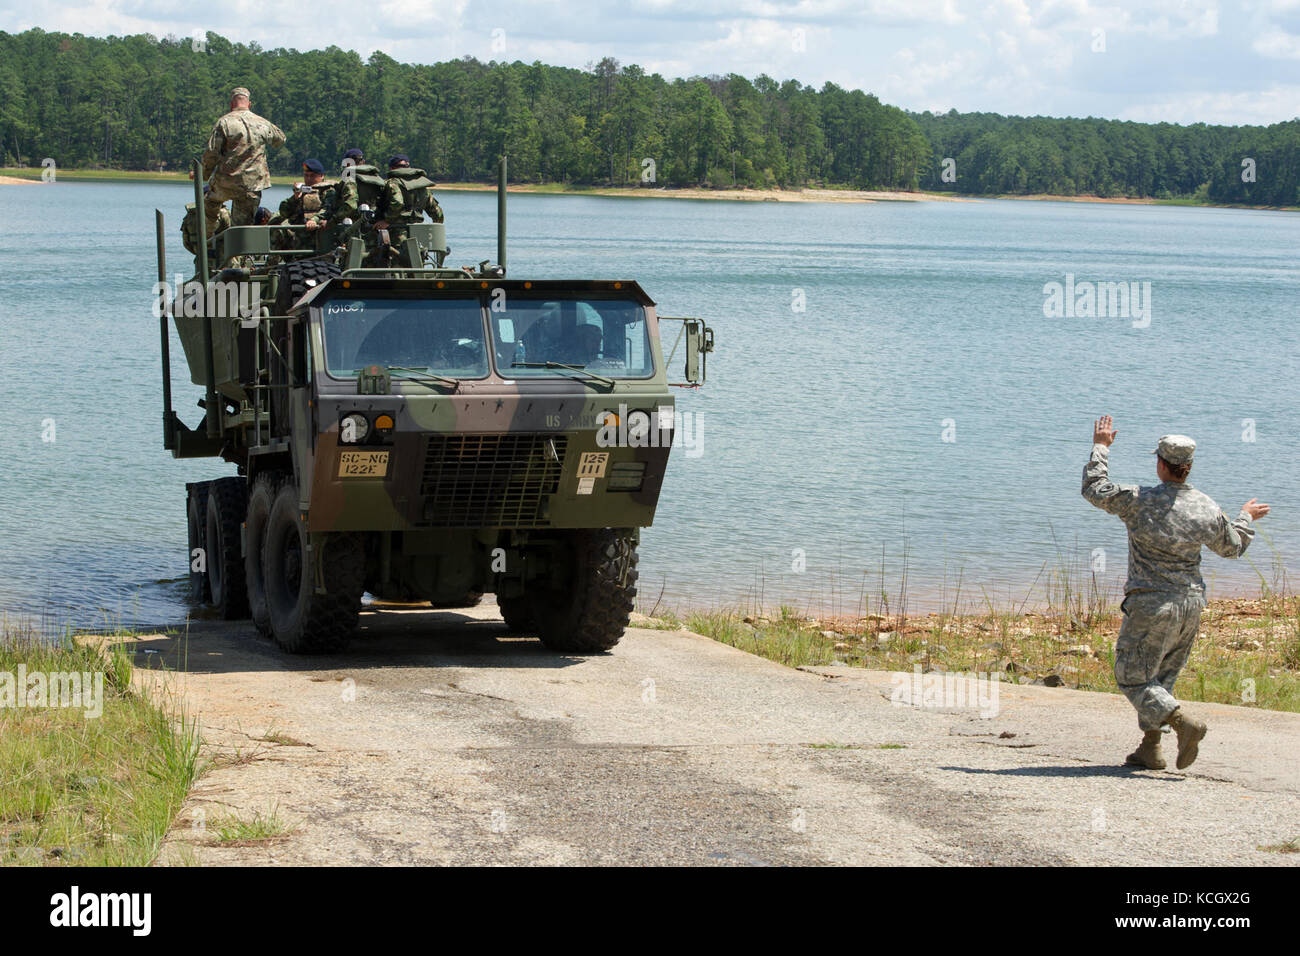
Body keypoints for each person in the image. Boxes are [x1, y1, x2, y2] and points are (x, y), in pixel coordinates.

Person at [1082, 415, 1270, 771]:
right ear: (1188, 467)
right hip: (1191, 603)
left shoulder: (1139, 500)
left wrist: (1102, 446)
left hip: (1152, 602)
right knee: (1163, 677)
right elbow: (1232, 548)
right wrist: (1244, 517)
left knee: (1132, 676)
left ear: (1160, 464)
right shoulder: (1205, 505)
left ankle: (1184, 724)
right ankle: (1150, 748)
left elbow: (1094, 488)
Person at [197, 87, 285, 226]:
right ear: (249, 104)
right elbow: (280, 139)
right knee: (242, 227)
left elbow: (212, 152)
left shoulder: (224, 122)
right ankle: (239, 246)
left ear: (232, 104)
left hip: (227, 182)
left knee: (209, 203)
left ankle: (207, 238)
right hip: (252, 185)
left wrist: (203, 175)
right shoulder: (263, 122)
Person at [181, 185, 232, 273]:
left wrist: (199, 252)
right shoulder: (223, 213)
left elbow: (186, 242)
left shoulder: (190, 215)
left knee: (202, 284)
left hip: (201, 260)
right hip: (221, 262)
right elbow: (231, 237)